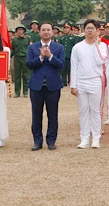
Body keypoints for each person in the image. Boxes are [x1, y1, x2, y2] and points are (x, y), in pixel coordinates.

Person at [27, 22, 65, 151]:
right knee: (36, 115)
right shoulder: (32, 48)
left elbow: (61, 64)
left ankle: (51, 141)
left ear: (52, 32)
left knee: (52, 115)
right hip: (36, 86)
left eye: (48, 30)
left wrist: (50, 56)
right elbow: (29, 64)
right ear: (39, 32)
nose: (46, 32)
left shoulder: (58, 47)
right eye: (43, 30)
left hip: (53, 86)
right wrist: (41, 57)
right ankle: (37, 141)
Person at [70, 19, 108, 149]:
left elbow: (100, 61)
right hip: (81, 82)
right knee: (83, 111)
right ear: (84, 30)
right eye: (88, 28)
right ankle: (84, 138)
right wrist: (73, 85)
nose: (90, 31)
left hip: (95, 81)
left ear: (97, 31)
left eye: (93, 28)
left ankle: (96, 138)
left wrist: (97, 45)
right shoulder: (77, 47)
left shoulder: (102, 46)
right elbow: (74, 67)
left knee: (95, 111)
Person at [11, 25, 31, 98]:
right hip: (17, 58)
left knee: (26, 76)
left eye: (21, 30)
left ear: (24, 31)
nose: (20, 31)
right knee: (17, 76)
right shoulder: (14, 40)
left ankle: (25, 92)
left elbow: (30, 48)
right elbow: (13, 49)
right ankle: (17, 92)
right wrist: (9, 55)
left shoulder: (28, 39)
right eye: (18, 30)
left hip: (25, 58)